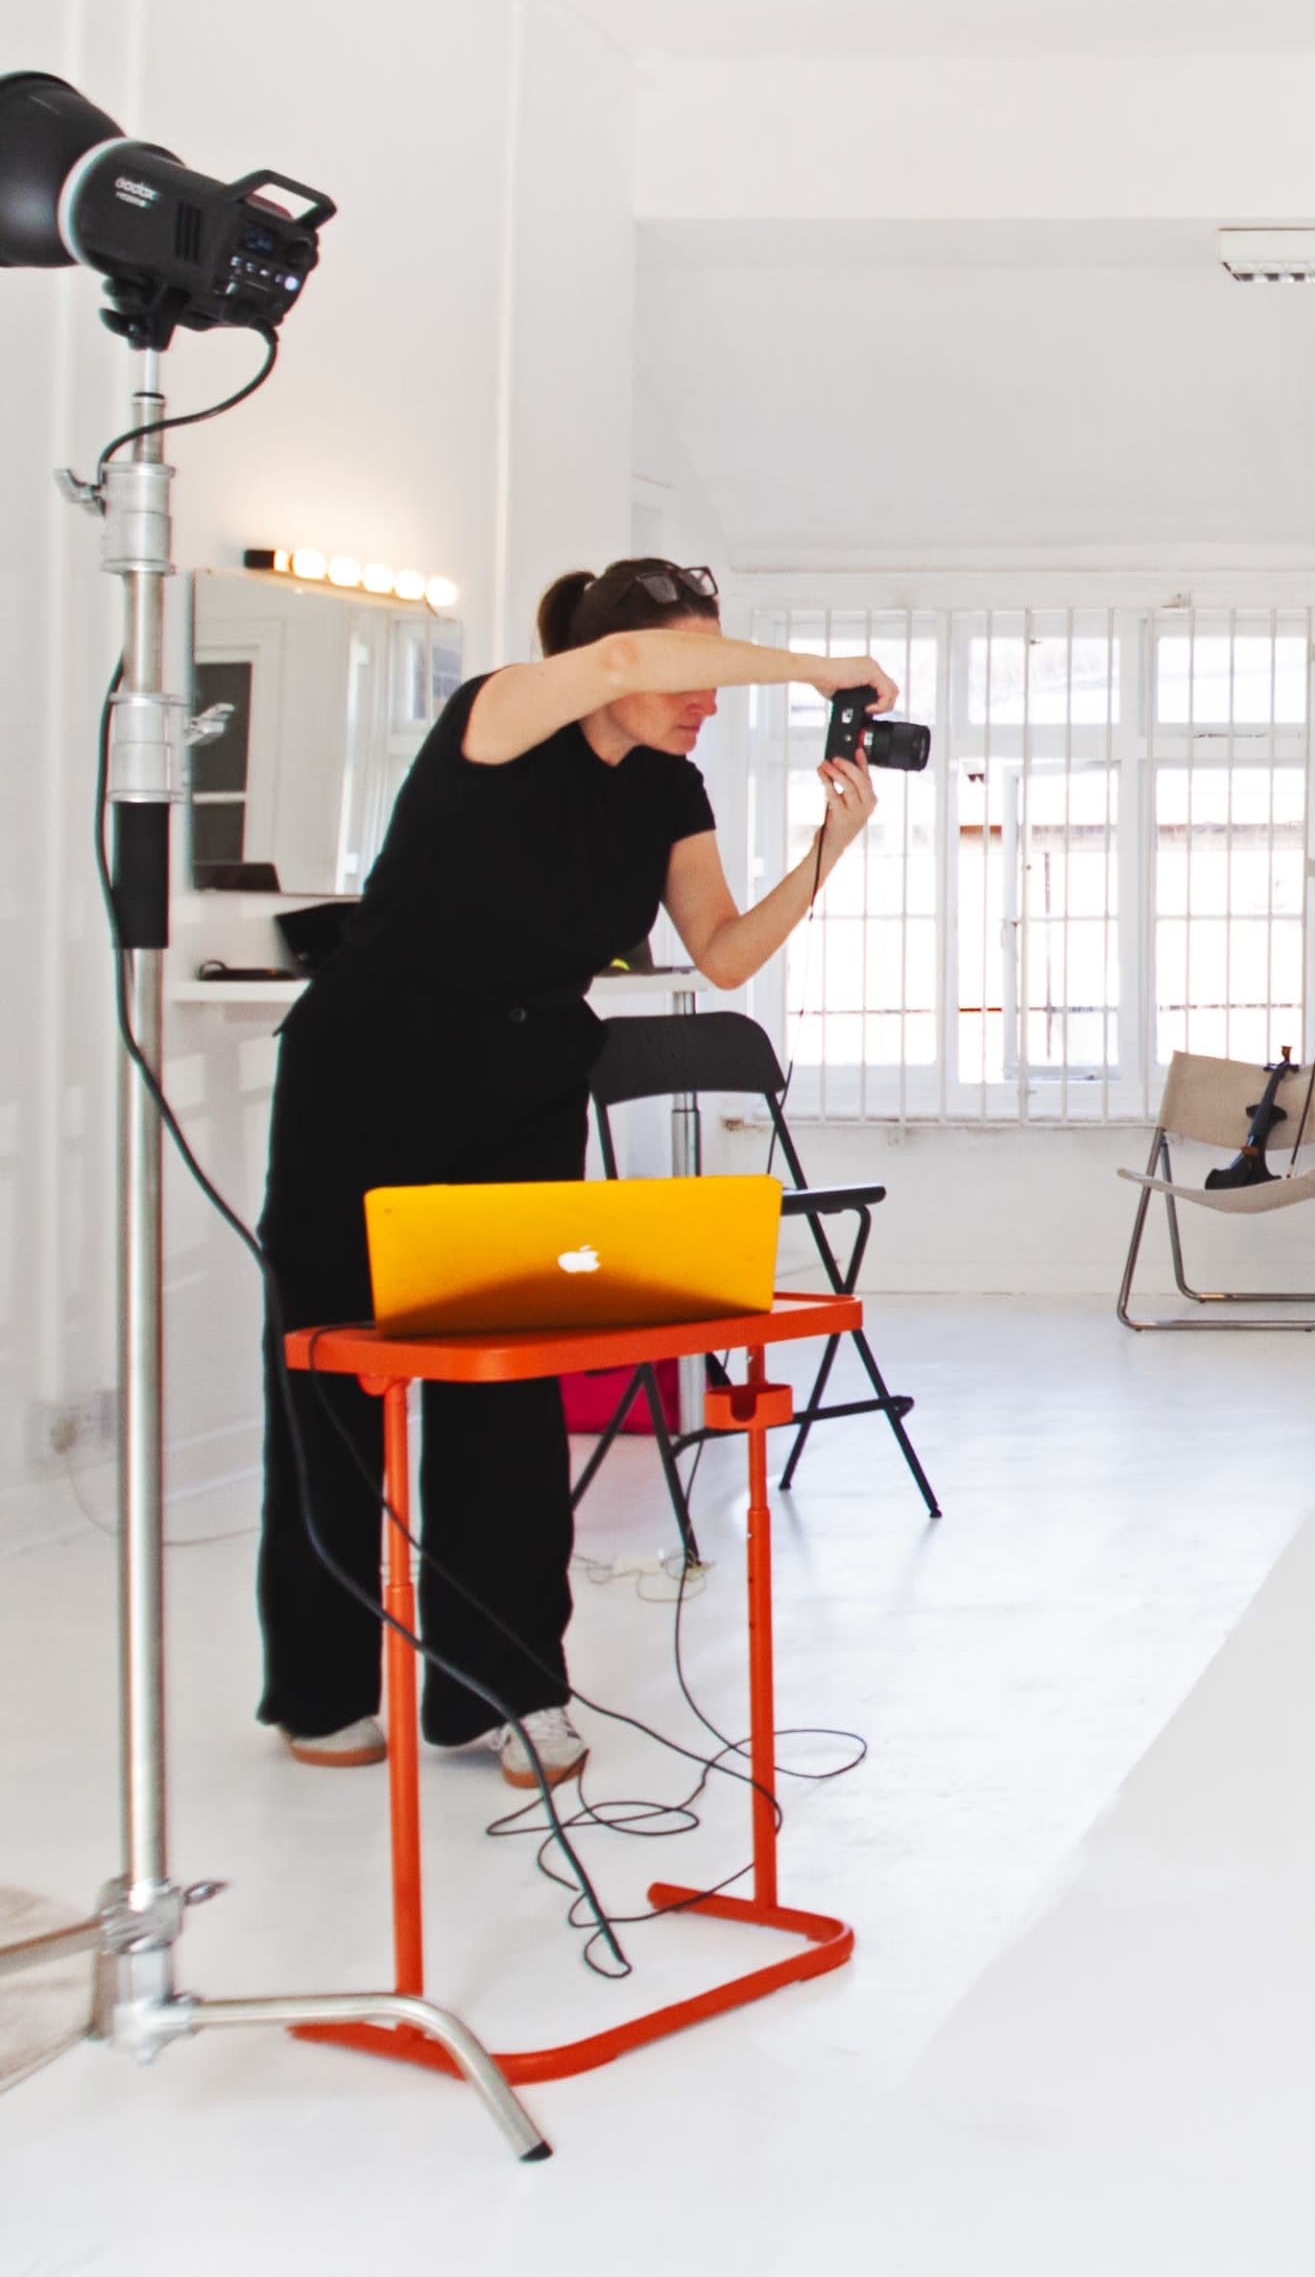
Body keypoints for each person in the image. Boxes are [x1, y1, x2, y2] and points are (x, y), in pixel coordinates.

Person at [255, 559, 895, 1789]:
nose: (706, 695)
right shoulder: (502, 711)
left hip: (521, 1088)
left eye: (717, 671)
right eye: (692, 667)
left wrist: (831, 846)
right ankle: (326, 1683)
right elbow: (621, 665)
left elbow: (723, 955)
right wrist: (818, 666)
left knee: (506, 1402)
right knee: (333, 1385)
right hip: (368, 1078)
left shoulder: (667, 789)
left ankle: (504, 1692)